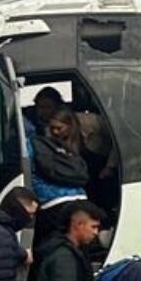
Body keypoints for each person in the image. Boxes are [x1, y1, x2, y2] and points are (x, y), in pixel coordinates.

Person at [27, 107, 92, 257]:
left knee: (49, 251)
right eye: (53, 128)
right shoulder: (73, 148)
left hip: (50, 203)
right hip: (80, 199)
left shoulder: (35, 143)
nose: (55, 132)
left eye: (59, 128)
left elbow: (30, 170)